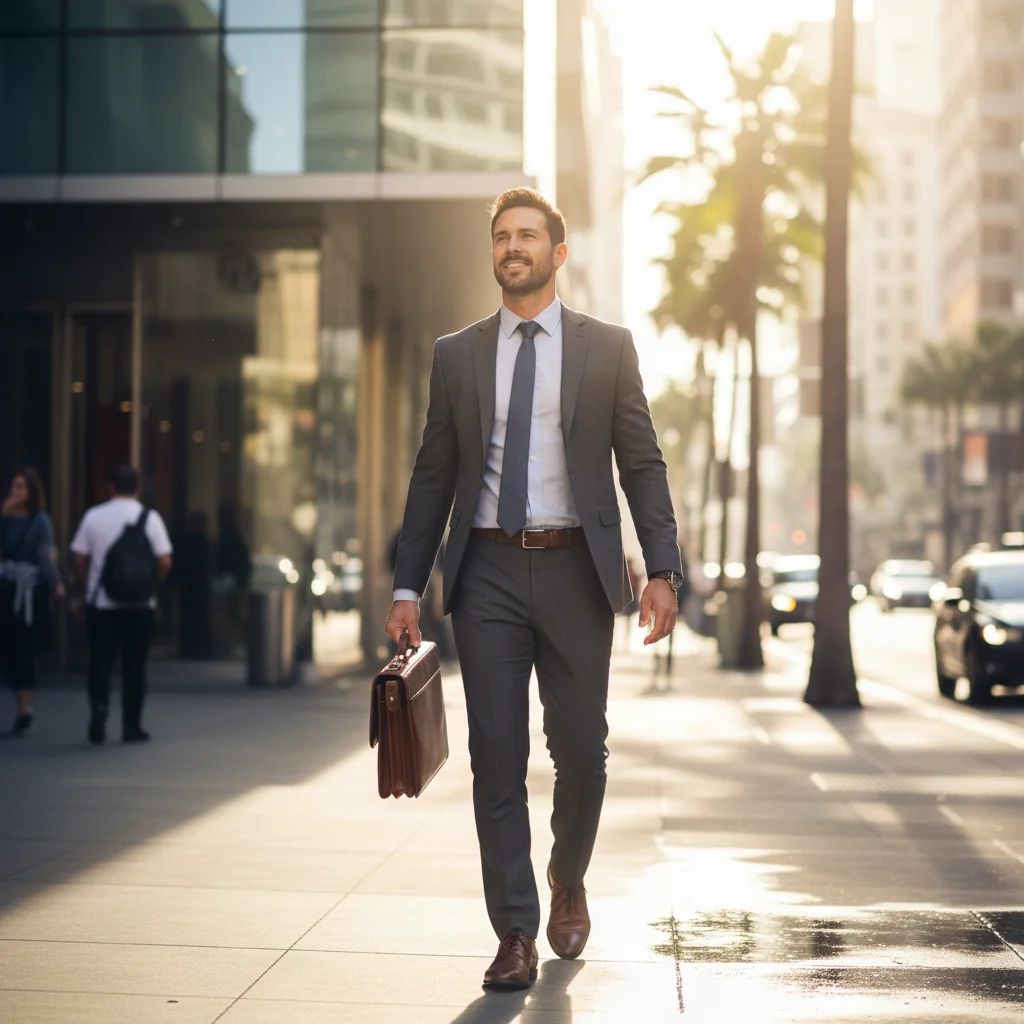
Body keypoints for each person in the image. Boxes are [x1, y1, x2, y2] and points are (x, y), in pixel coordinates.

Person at [385, 189, 682, 990]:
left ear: (557, 253)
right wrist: (408, 584)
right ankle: (515, 930)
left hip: (577, 572)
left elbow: (641, 463)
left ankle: (567, 876)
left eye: (528, 236)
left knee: (582, 752)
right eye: (501, 236)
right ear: (493, 253)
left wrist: (662, 567)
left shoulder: (607, 347)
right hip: (484, 574)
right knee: (497, 758)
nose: (513, 246)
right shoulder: (457, 354)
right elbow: (433, 476)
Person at [70, 465, 173, 745]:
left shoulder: (94, 516)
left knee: (100, 662)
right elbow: (165, 559)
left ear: (111, 488)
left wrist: (85, 586)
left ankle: (100, 708)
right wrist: (152, 583)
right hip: (140, 605)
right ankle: (131, 726)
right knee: (135, 666)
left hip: (102, 603)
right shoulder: (150, 519)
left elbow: (78, 556)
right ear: (138, 489)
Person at [0, 468, 64, 736]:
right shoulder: (4, 519)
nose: (16, 491)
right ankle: (21, 703)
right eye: (14, 486)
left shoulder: (40, 521)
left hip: (30, 590)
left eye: (22, 487)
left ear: (32, 491)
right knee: (9, 648)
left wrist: (56, 582)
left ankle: (23, 707)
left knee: (25, 648)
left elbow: (45, 555)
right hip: (6, 586)